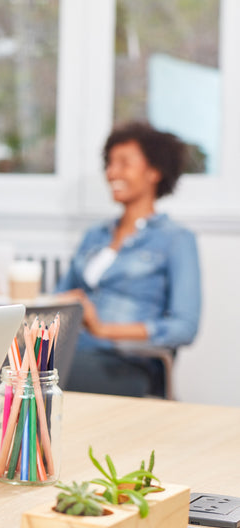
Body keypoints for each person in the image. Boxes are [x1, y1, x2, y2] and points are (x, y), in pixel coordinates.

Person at [57, 122, 201, 398]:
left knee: (30, 373)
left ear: (154, 171)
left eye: (124, 163)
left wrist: (102, 328)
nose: (112, 172)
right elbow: (58, 295)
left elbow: (185, 328)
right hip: (75, 350)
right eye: (109, 164)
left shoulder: (176, 239)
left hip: (127, 364)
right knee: (6, 360)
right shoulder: (95, 236)